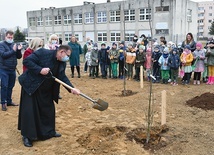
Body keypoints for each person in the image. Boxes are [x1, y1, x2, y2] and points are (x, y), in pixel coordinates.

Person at [18, 45, 81, 147]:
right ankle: (27, 136)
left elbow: (62, 77)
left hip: (46, 90)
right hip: (31, 86)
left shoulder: (62, 63)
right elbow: (26, 61)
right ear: (61, 52)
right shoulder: (43, 53)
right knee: (30, 112)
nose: (67, 58)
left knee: (48, 110)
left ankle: (48, 132)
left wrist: (71, 88)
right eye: (67, 55)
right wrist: (40, 69)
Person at [0, 30, 22, 111]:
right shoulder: (1, 45)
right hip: (4, 69)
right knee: (4, 86)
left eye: (11, 37)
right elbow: (3, 55)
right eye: (9, 37)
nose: (10, 39)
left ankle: (9, 101)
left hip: (12, 69)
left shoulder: (14, 45)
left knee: (10, 86)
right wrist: (13, 50)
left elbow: (19, 57)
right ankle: (3, 102)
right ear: (5, 37)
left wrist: (19, 50)